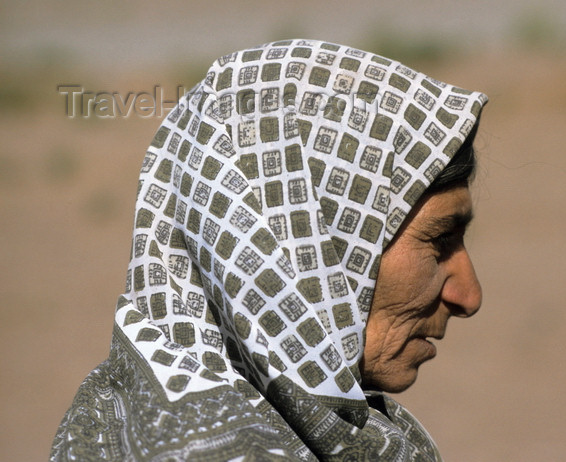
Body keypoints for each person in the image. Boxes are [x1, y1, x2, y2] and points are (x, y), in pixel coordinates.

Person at [51, 38, 486, 461]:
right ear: (303, 248)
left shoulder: (117, 412)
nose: (469, 296)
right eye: (440, 240)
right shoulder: (209, 451)